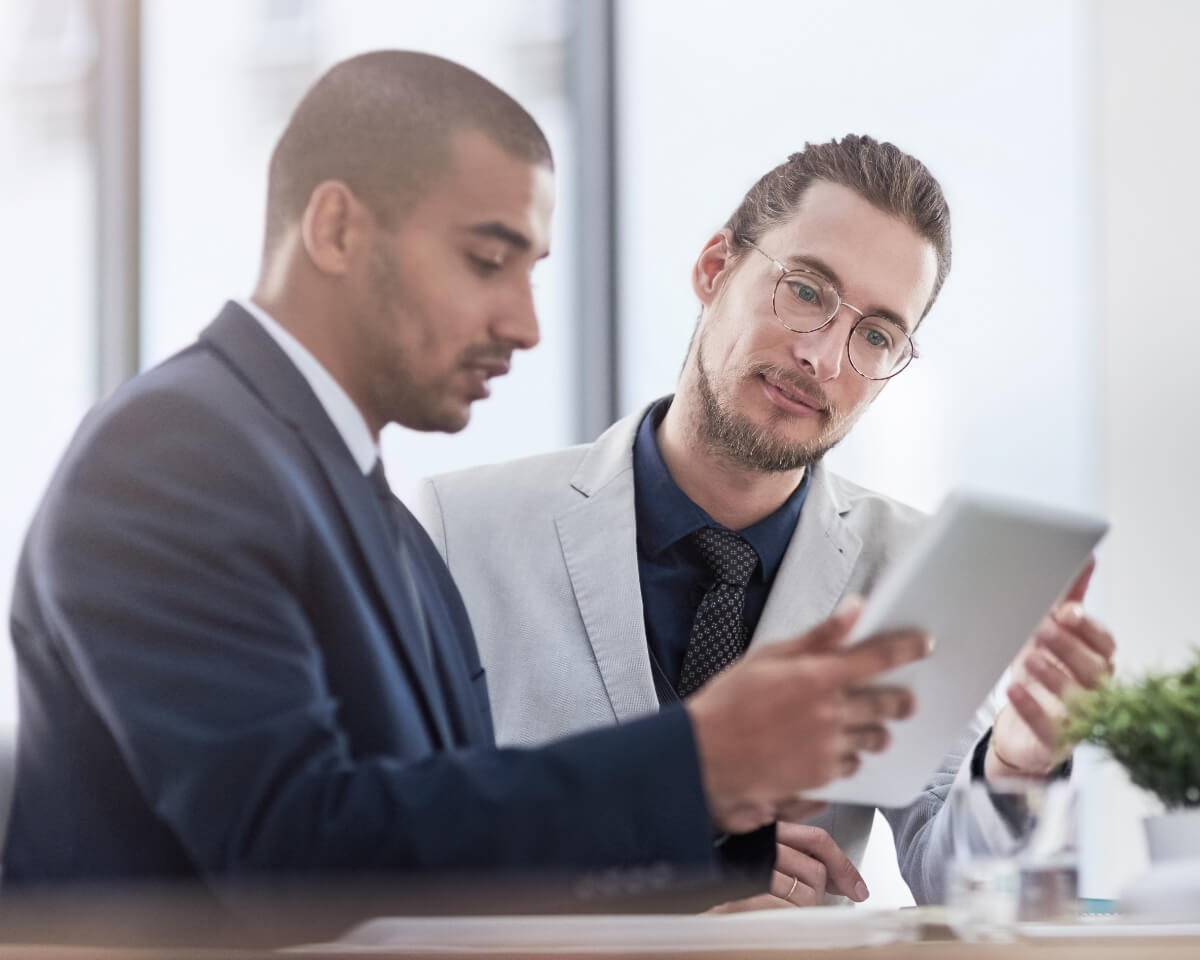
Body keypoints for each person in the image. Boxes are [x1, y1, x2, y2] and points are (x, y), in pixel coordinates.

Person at [1, 52, 930, 906]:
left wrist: (706, 863)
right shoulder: (180, 456)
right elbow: (286, 851)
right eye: (487, 260)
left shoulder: (382, 520)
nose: (527, 326)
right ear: (334, 228)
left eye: (532, 272)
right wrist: (697, 762)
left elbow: (441, 834)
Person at [415, 136, 1117, 906]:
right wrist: (663, 866)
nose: (823, 356)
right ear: (715, 268)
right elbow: (376, 842)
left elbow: (966, 885)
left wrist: (1015, 764)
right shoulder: (460, 529)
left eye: (877, 335)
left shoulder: (907, 567)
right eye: (808, 291)